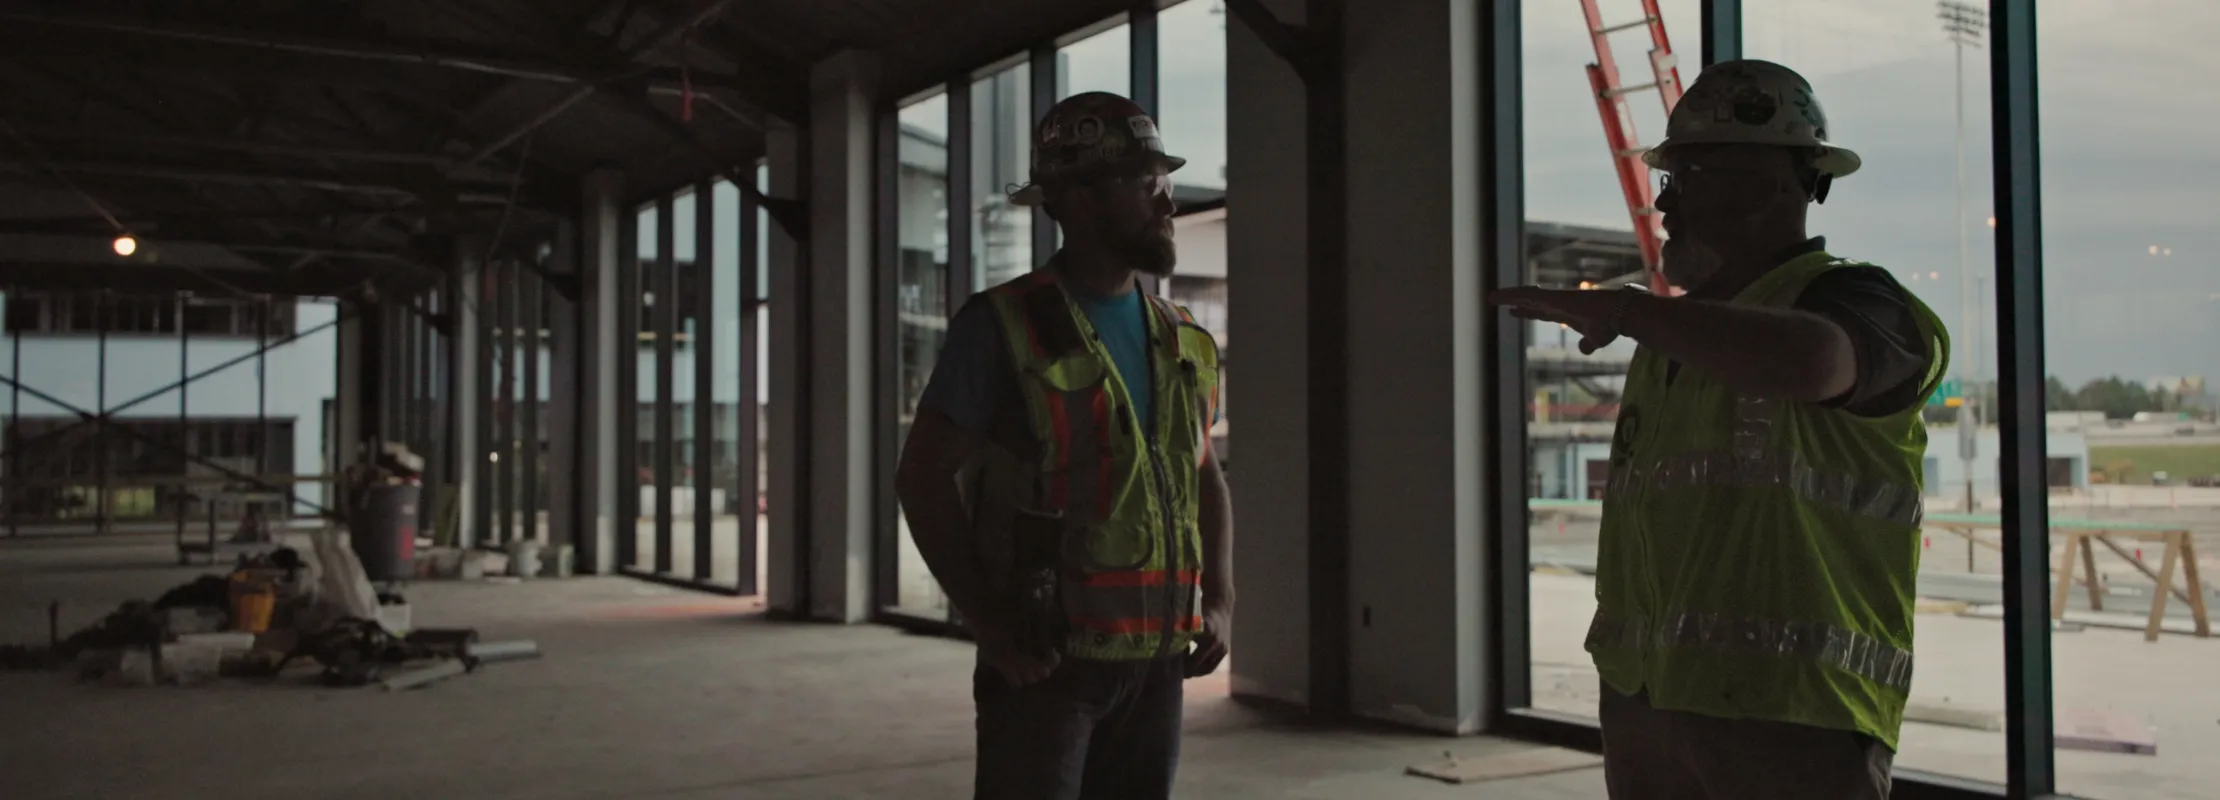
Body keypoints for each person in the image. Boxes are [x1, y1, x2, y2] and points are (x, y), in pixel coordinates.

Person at [1490, 60, 1950, 799]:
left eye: (1688, 175)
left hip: (1794, 718)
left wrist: (1630, 311)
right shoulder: (1670, 338)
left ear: (1769, 182)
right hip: (1650, 703)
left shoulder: (1858, 301)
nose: (1665, 205)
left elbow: (1813, 361)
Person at [894, 91, 1232, 800]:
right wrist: (988, 620)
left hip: (1160, 660)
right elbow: (923, 477)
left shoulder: (1184, 340)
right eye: (1147, 187)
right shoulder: (1003, 328)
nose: (1167, 204)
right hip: (1048, 663)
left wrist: (1222, 599)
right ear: (1077, 200)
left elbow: (1205, 477)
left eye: (1162, 184)